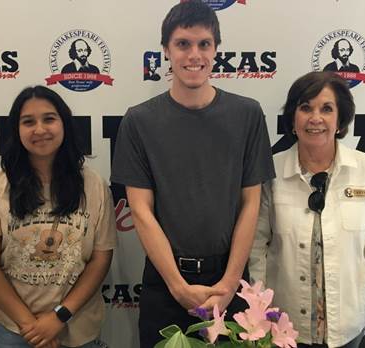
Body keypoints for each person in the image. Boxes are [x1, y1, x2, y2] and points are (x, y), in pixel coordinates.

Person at [110, 1, 275, 347]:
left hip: (228, 281)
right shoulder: (139, 122)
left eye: (204, 44)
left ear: (216, 49)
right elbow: (140, 210)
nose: (194, 54)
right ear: (166, 51)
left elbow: (251, 203)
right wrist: (177, 285)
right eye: (183, 44)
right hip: (165, 282)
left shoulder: (247, 115)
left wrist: (230, 284)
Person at [249, 71, 365, 348]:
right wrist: (256, 310)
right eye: (306, 108)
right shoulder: (271, 171)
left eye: (326, 109)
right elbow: (255, 248)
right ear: (293, 118)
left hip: (347, 330)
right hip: (284, 328)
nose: (315, 118)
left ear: (340, 121)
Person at [0, 86, 116, 348]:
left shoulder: (93, 184)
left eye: (49, 118)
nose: (39, 129)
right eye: (28, 122)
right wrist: (31, 327)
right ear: (16, 130)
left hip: (77, 326)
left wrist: (58, 317)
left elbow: (100, 259)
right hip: (14, 330)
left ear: (64, 124)